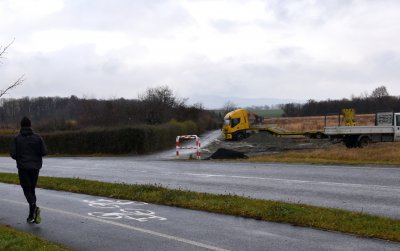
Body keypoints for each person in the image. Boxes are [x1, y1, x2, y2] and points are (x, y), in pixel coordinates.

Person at [10, 117, 47, 224]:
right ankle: (31, 216)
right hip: (35, 167)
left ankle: (34, 208)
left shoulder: (17, 138)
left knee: (27, 189)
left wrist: (20, 157)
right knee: (32, 189)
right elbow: (44, 152)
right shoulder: (38, 137)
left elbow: (13, 154)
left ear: (21, 126)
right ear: (30, 125)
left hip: (23, 167)